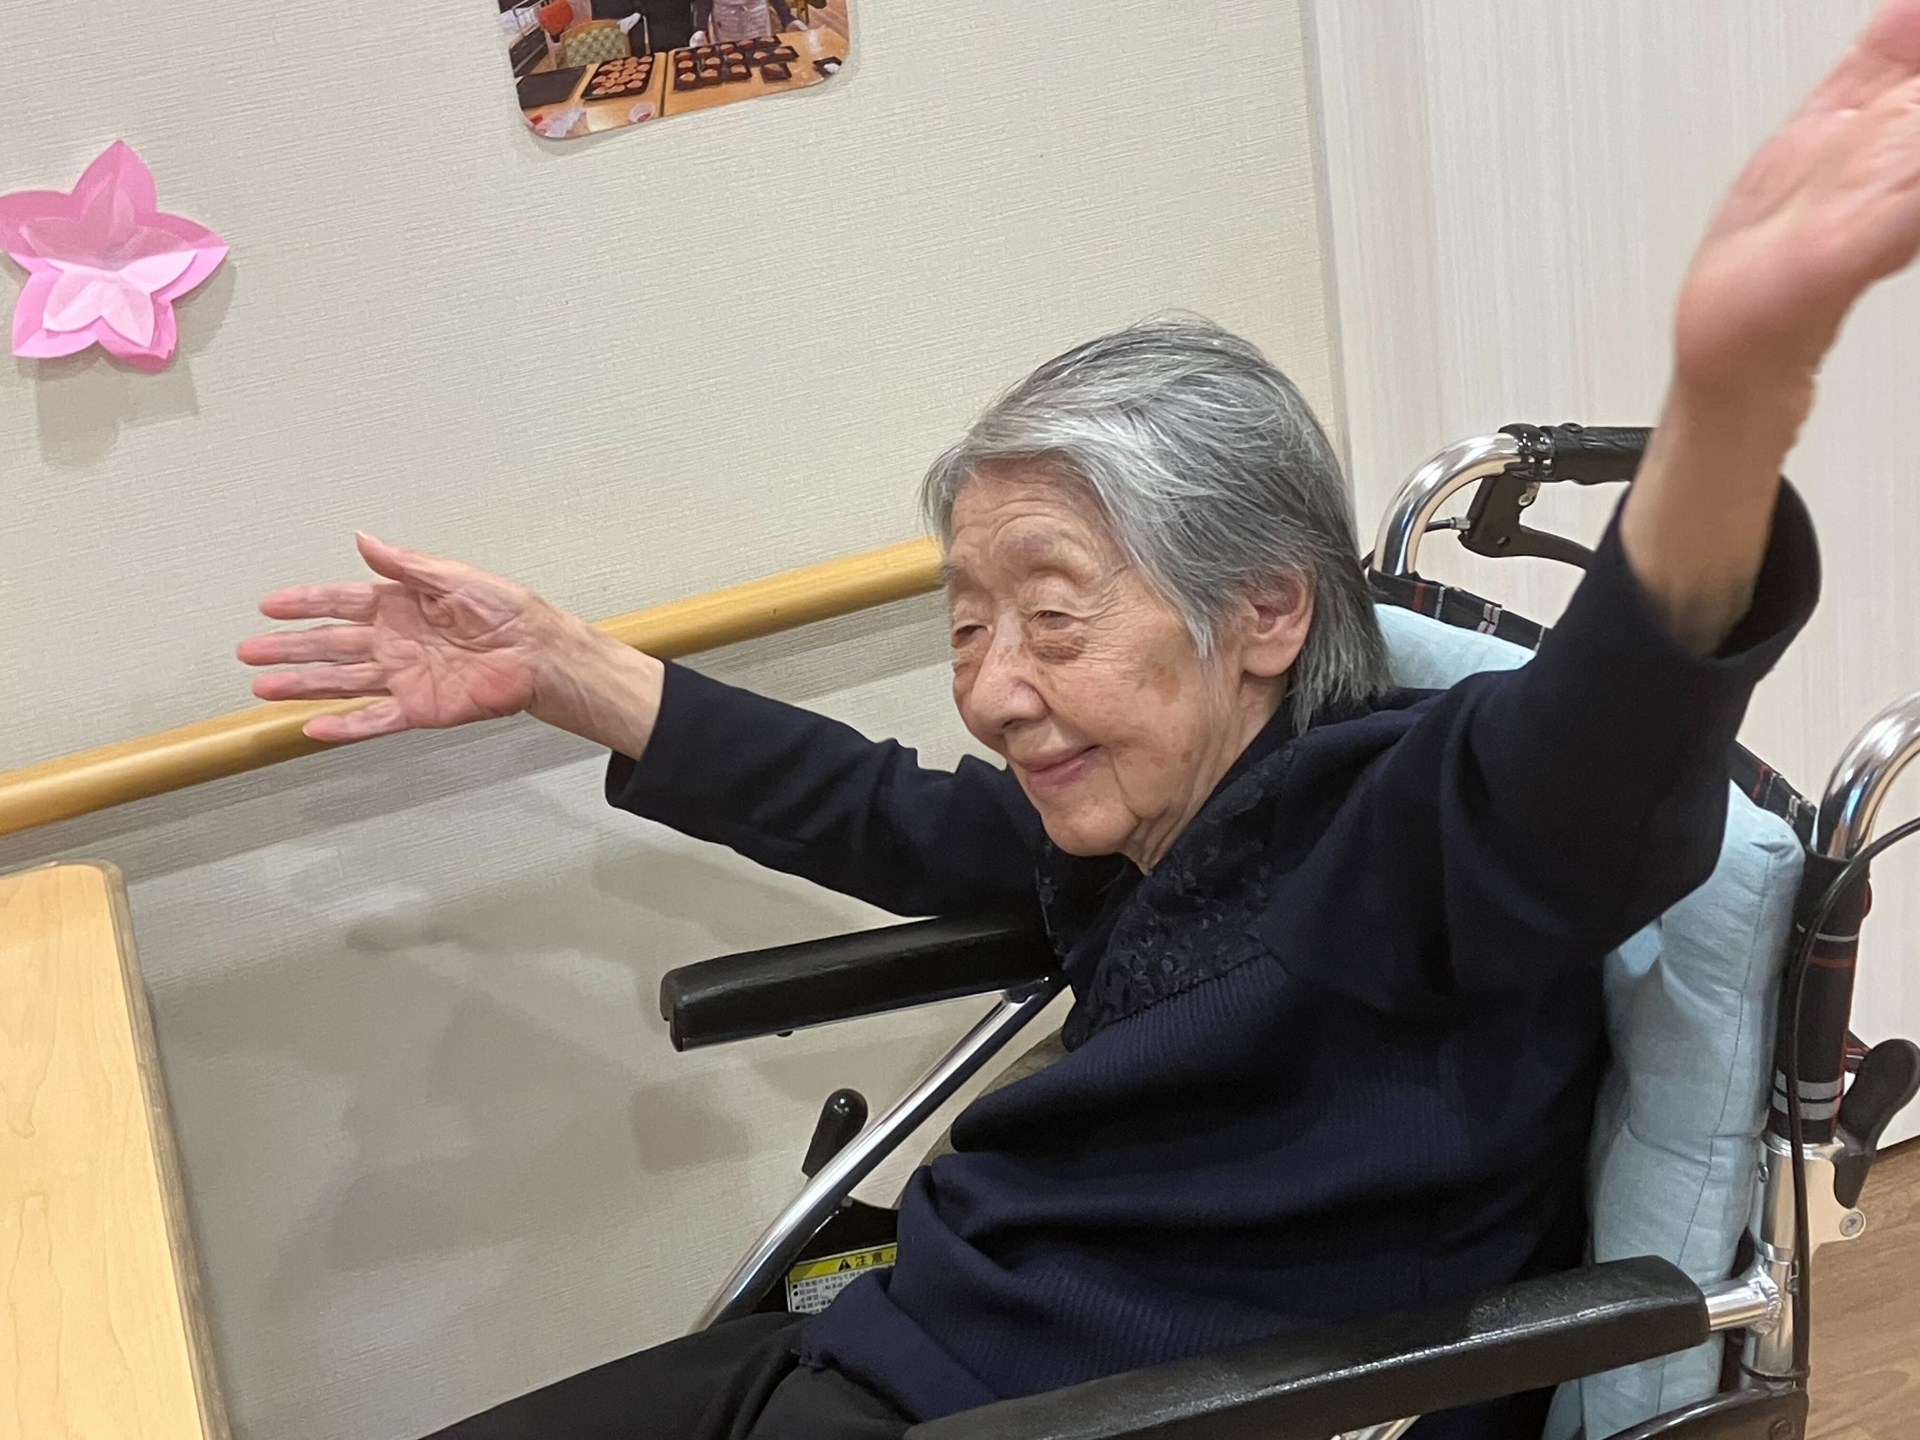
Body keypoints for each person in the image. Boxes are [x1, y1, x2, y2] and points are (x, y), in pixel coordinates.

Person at [238, 4, 1920, 1435]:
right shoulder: (1159, 818)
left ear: (1266, 611)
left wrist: (1735, 394)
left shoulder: (1388, 842)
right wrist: (563, 668)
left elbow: (1588, 778)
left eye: (1053, 618)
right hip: (893, 1350)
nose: (992, 689)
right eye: (969, 628)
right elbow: (878, 808)